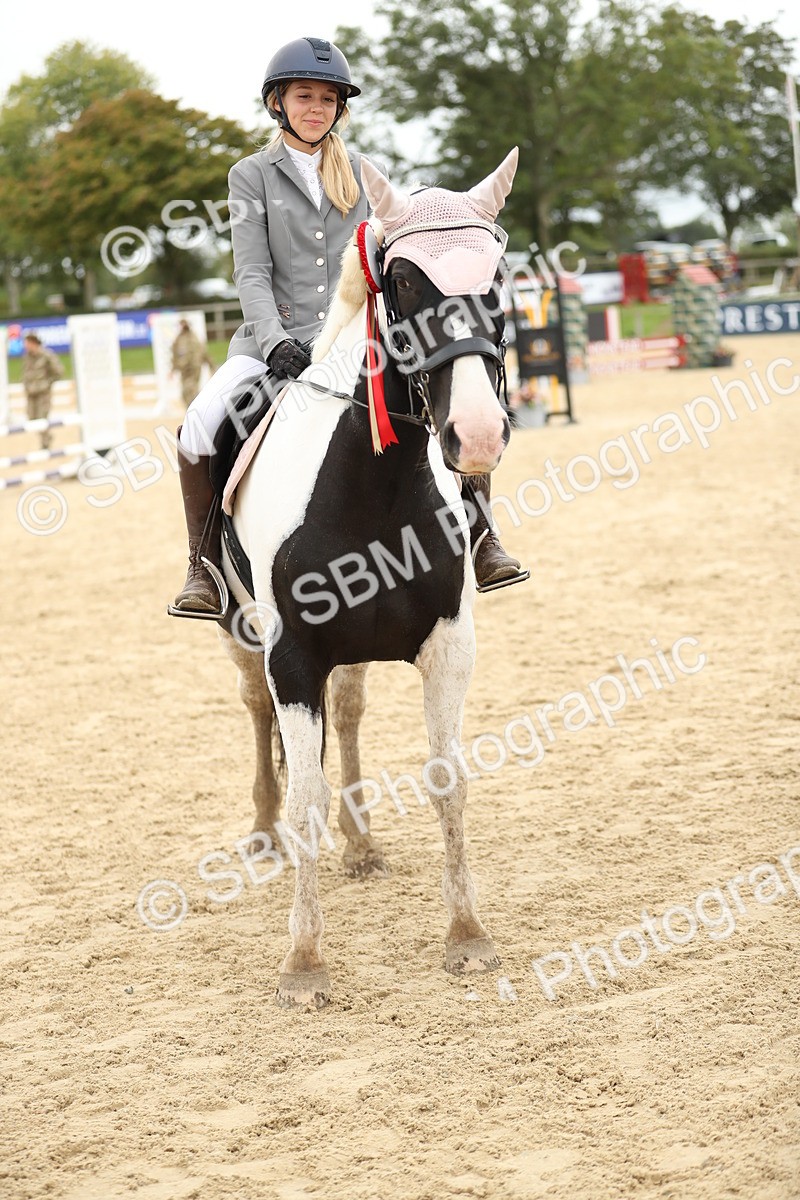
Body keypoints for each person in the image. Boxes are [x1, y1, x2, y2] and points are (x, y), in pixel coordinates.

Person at [170, 36, 524, 616]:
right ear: (276, 104)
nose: (317, 108)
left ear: (341, 108)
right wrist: (275, 340)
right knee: (199, 424)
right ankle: (203, 565)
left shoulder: (367, 174)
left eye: (328, 99)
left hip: (358, 336)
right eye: (304, 96)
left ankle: (484, 536)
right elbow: (251, 271)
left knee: (452, 391)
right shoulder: (250, 175)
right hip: (274, 341)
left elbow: (396, 252)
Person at [22, 334, 63, 450]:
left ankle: (45, 442)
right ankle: (47, 437)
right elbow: (25, 372)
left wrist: (47, 384)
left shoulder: (46, 355)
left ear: (34, 342)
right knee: (32, 418)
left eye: (28, 342)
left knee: (42, 418)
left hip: (43, 394)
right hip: (31, 394)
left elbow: (58, 371)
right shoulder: (27, 356)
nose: (26, 345)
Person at [170, 319, 214, 408]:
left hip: (194, 368)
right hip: (184, 369)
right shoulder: (178, 340)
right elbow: (175, 355)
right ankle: (190, 408)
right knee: (185, 392)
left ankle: (195, 408)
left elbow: (204, 352)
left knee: (192, 388)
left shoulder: (195, 338)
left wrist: (211, 365)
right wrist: (173, 369)